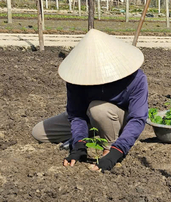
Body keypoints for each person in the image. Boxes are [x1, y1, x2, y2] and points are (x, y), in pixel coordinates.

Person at [31, 29, 149, 172]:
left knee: (98, 109)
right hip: (89, 117)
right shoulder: (76, 78)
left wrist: (116, 152)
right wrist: (79, 144)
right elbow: (76, 114)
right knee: (39, 132)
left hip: (118, 119)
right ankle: (96, 134)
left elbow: (137, 118)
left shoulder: (135, 78)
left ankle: (109, 147)